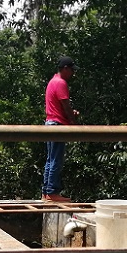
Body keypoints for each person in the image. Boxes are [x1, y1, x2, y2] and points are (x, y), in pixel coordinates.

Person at [42, 56, 79, 202]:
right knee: (56, 160)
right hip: (57, 125)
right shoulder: (61, 82)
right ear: (65, 69)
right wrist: (74, 122)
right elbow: (65, 107)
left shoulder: (52, 81)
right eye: (71, 70)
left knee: (50, 159)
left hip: (50, 123)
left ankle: (46, 192)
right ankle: (52, 193)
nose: (72, 74)